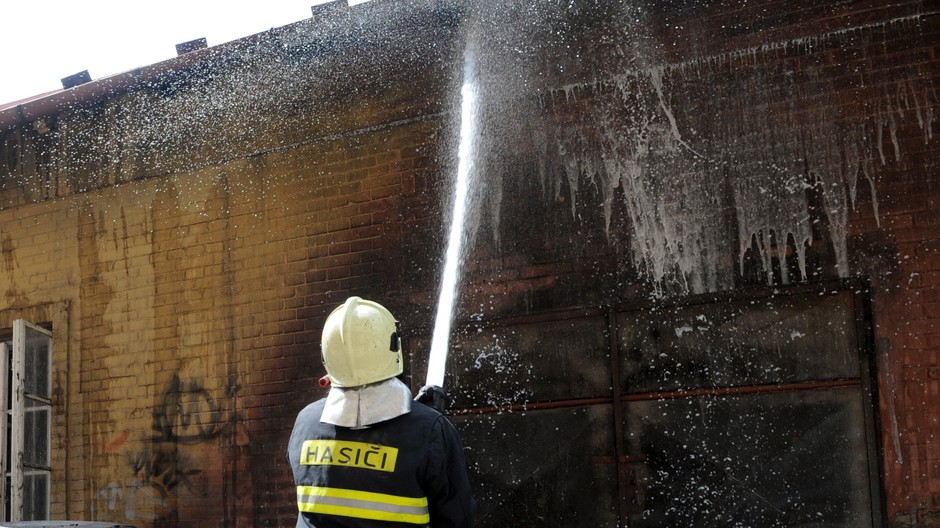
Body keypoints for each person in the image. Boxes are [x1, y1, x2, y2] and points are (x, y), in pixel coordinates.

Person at [288, 296, 477, 528]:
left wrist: (421, 424)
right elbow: (457, 518)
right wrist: (427, 426)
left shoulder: (305, 423)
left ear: (327, 355)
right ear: (392, 345)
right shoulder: (431, 431)